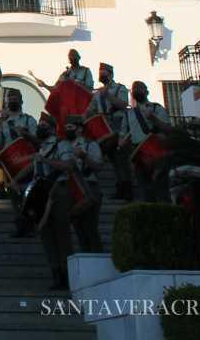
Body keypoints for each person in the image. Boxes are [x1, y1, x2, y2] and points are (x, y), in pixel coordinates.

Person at [31, 115, 76, 290]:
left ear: (51, 127)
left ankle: (67, 275)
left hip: (59, 191)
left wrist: (46, 160)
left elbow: (68, 166)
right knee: (47, 237)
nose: (40, 127)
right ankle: (56, 275)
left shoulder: (61, 144)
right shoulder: (40, 148)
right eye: (39, 125)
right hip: (42, 194)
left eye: (43, 125)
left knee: (62, 234)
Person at [0, 88, 38, 229]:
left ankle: (31, 225)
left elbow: (38, 141)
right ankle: (20, 226)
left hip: (28, 164)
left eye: (15, 99)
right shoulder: (3, 124)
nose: (13, 101)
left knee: (29, 197)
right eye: (10, 99)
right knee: (15, 198)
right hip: (11, 165)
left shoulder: (29, 120)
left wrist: (26, 135)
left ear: (21, 101)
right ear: (7, 102)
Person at [120, 81, 172, 203]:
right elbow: (123, 135)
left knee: (161, 188)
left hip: (156, 152)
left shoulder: (156, 108)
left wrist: (153, 118)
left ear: (146, 91)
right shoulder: (128, 114)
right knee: (145, 191)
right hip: (139, 154)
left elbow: (168, 129)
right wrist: (121, 143)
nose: (136, 90)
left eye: (139, 88)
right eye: (134, 89)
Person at [85, 62, 130, 200]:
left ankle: (124, 190)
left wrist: (108, 96)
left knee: (119, 161)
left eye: (103, 72)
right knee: (100, 155)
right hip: (103, 129)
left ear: (110, 73)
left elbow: (123, 105)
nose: (100, 74)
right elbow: (90, 110)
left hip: (117, 129)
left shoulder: (120, 88)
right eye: (100, 72)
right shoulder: (98, 93)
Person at [66, 115, 104, 253]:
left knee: (91, 228)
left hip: (89, 187)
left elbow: (98, 167)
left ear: (79, 129)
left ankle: (97, 259)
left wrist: (84, 156)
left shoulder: (90, 144)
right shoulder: (63, 146)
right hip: (72, 190)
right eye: (66, 128)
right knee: (79, 230)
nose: (67, 130)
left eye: (70, 127)